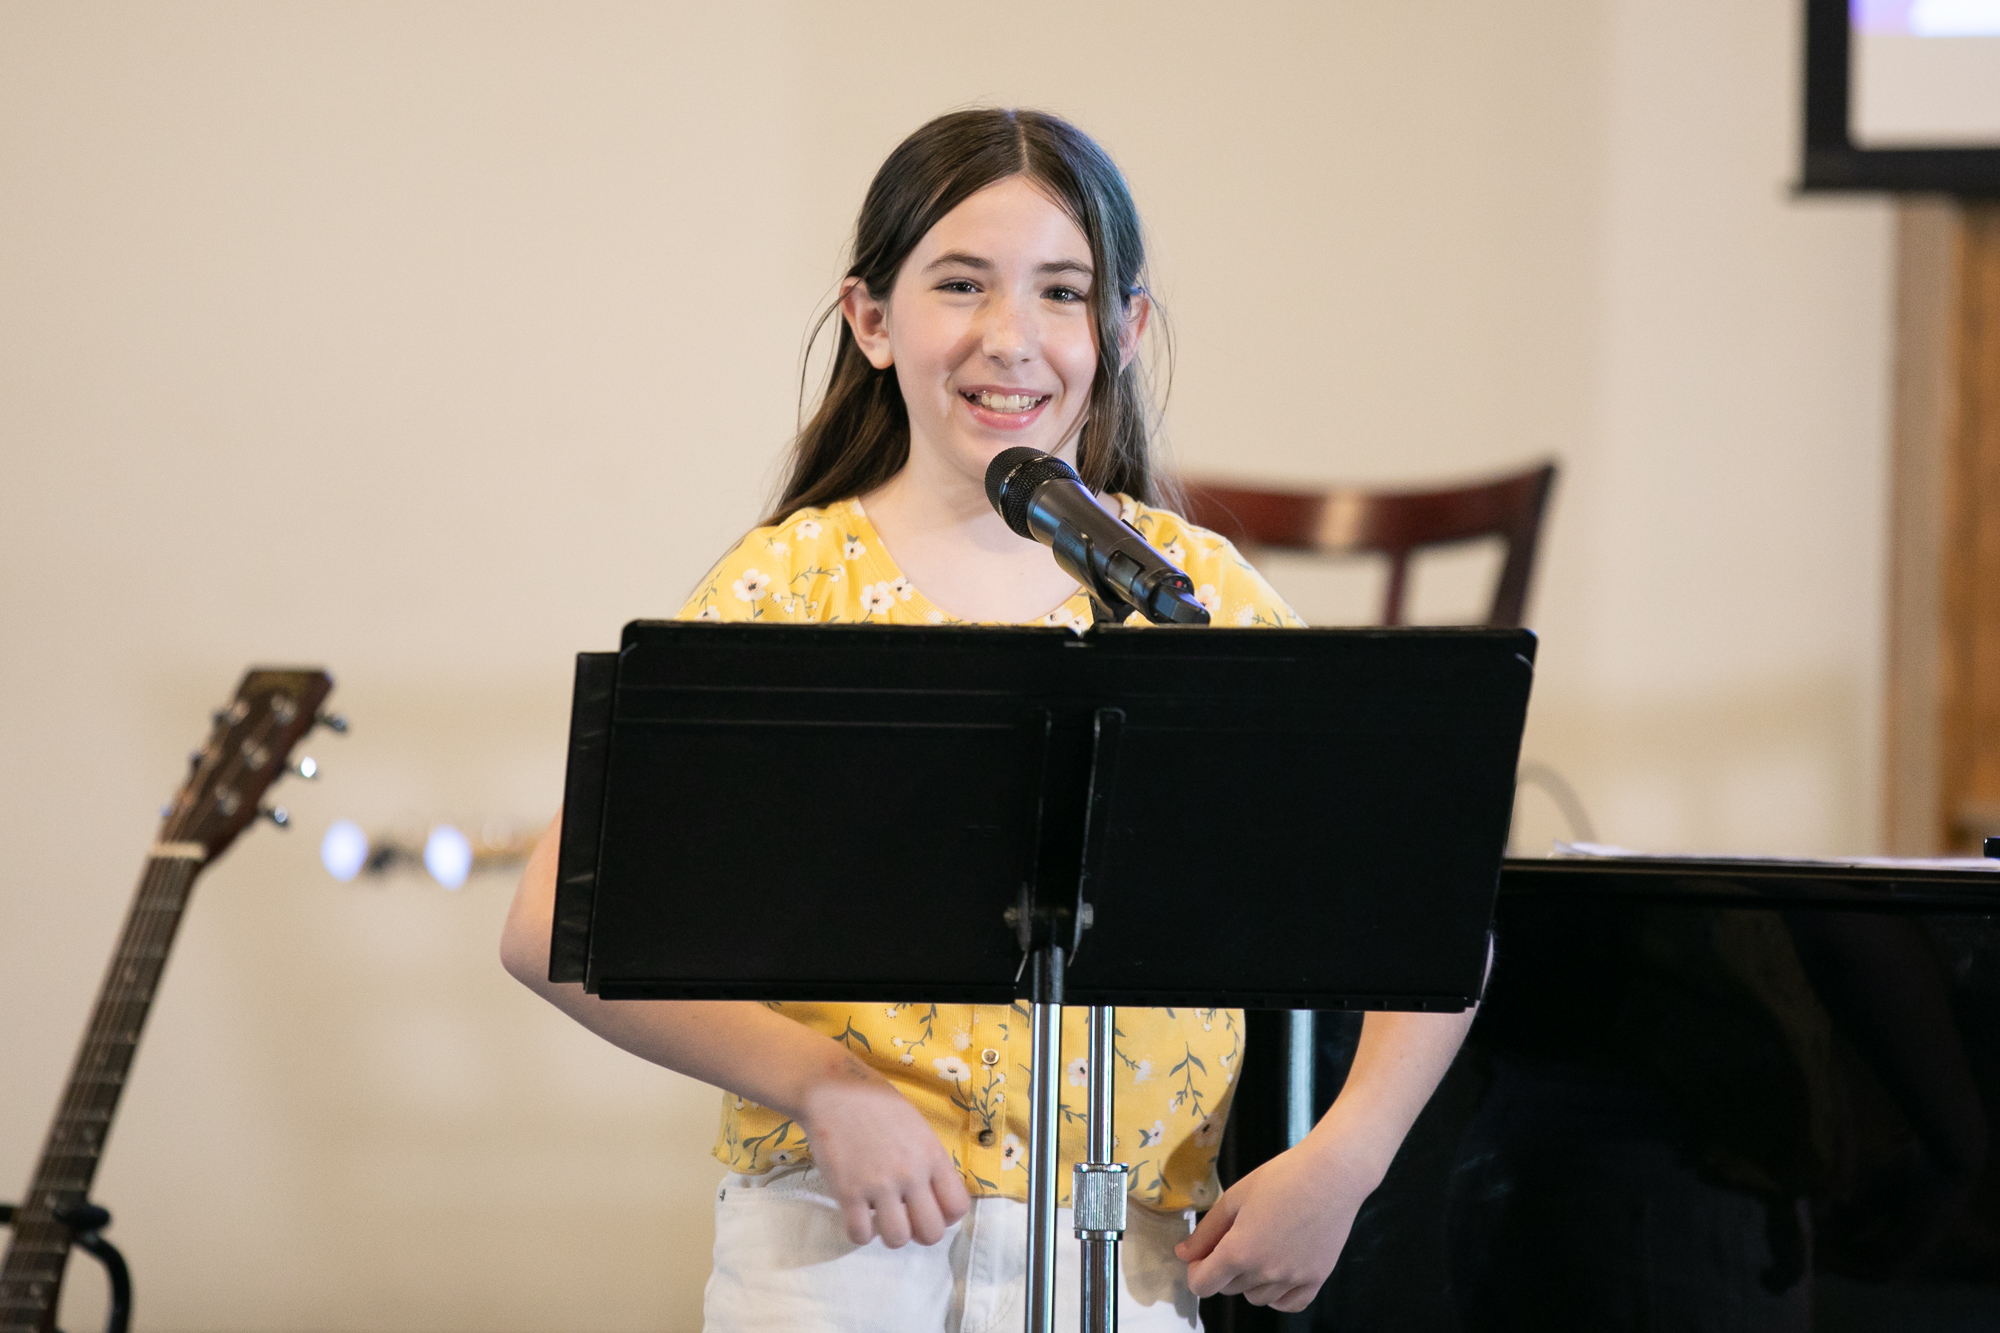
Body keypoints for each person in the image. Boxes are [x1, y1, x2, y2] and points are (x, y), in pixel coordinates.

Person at [501, 107, 1476, 1331]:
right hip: (840, 1237)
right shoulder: (790, 587)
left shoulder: (1202, 599)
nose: (1010, 339)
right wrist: (822, 1083)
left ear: (1122, 332)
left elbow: (1436, 912)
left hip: (1129, 1254)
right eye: (959, 283)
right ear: (870, 319)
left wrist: (1346, 1159)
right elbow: (548, 922)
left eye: (1061, 292)